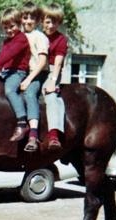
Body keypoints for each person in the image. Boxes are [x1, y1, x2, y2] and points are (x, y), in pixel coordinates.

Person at [0, 7, 31, 142]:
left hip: (18, 72)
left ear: (19, 24)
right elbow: (4, 57)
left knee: (10, 90)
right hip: (7, 71)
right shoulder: (6, 41)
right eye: (6, 28)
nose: (9, 30)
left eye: (12, 26)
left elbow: (10, 55)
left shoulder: (21, 39)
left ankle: (22, 123)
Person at [19, 1, 49, 152]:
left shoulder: (40, 36)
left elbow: (43, 62)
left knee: (30, 93)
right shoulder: (19, 36)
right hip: (23, 72)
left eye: (32, 18)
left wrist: (29, 79)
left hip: (38, 72)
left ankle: (33, 134)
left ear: (37, 21)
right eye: (25, 17)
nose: (28, 21)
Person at [41, 3, 68, 150]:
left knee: (51, 97)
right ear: (42, 22)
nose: (51, 25)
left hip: (51, 71)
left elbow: (57, 64)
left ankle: (53, 134)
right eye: (48, 21)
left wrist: (52, 82)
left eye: (55, 22)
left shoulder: (61, 40)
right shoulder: (38, 36)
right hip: (36, 69)